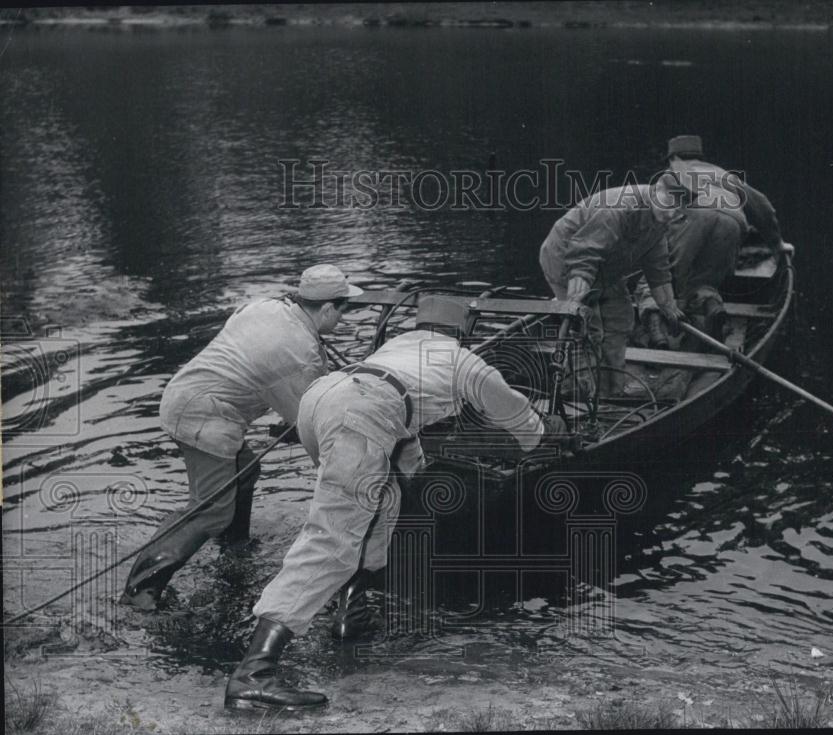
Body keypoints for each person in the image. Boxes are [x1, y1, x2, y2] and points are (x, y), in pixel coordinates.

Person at [224, 295, 568, 712]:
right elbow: (516, 417)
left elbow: (401, 415)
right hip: (359, 413)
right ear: (462, 331)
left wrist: (414, 469)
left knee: (382, 504)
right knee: (332, 538)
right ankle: (254, 675)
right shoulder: (462, 360)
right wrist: (545, 429)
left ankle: (352, 613)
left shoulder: (398, 348)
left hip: (321, 400)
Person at [119, 265, 363, 611]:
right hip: (203, 417)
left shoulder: (267, 306)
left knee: (244, 470)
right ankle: (140, 591)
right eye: (343, 310)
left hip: (186, 395)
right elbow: (312, 423)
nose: (343, 319)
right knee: (210, 509)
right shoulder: (298, 354)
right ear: (326, 309)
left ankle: (234, 547)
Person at [538, 180, 686, 396]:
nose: (672, 213)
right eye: (669, 203)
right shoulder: (618, 209)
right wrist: (576, 302)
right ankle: (582, 396)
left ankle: (611, 391)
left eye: (678, 208)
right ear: (656, 191)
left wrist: (668, 306)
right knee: (588, 328)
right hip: (565, 259)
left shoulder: (660, 220)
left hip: (607, 266)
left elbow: (658, 269)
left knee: (622, 317)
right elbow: (583, 255)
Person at [636, 134, 784, 346]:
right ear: (700, 156)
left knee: (653, 277)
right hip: (732, 223)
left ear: (673, 157)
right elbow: (763, 207)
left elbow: (651, 217)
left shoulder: (671, 174)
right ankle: (713, 307)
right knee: (703, 281)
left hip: (692, 217)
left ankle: (655, 327)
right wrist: (776, 245)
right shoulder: (725, 175)